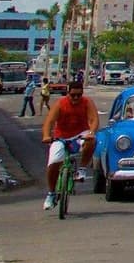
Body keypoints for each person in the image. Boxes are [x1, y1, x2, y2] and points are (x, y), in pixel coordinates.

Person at [40, 75, 99, 211]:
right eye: (73, 95)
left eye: (79, 95)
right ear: (68, 93)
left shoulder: (87, 102)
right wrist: (46, 136)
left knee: (92, 140)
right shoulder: (60, 104)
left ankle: (82, 170)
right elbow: (49, 122)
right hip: (61, 137)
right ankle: (51, 193)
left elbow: (94, 119)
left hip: (79, 134)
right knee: (53, 164)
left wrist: (91, 132)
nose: (76, 98)